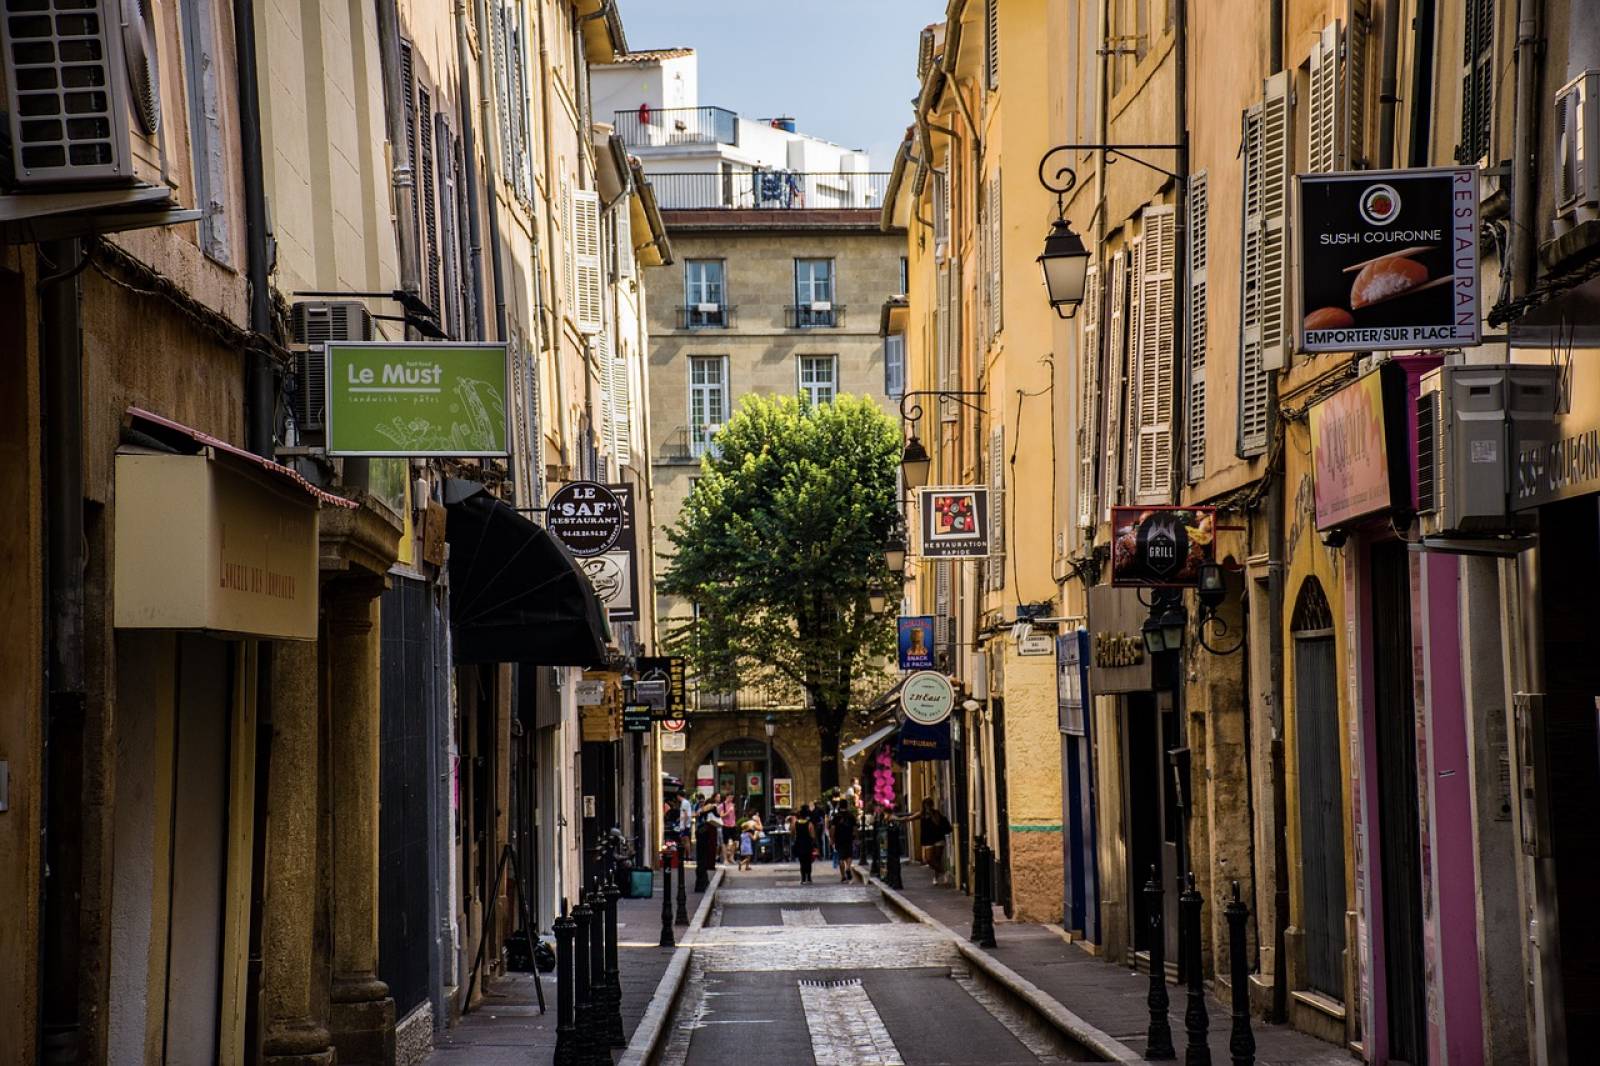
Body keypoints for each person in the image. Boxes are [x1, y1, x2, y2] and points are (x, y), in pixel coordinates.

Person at [897, 798, 953, 886]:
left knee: (937, 858)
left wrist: (931, 814)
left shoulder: (936, 813)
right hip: (928, 839)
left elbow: (937, 823)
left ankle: (936, 878)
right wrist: (898, 819)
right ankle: (944, 872)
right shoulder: (921, 814)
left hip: (938, 838)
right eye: (925, 805)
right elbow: (909, 818)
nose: (927, 807)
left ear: (931, 805)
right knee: (929, 859)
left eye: (928, 805)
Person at [829, 800, 857, 883]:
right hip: (849, 837)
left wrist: (832, 839)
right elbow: (855, 828)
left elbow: (833, 828)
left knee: (841, 857)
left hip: (839, 838)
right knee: (849, 854)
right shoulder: (851, 815)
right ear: (847, 806)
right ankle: (848, 868)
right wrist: (855, 836)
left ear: (839, 806)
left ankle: (843, 876)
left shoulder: (836, 816)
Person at [791, 804, 818, 883]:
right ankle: (809, 877)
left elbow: (792, 833)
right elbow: (812, 835)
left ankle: (803, 878)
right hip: (807, 844)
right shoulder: (809, 824)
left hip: (799, 844)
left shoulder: (795, 823)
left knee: (801, 861)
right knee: (808, 861)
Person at [720, 793, 738, 865]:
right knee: (725, 843)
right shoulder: (722, 805)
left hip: (733, 825)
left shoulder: (732, 805)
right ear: (727, 797)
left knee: (735, 842)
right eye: (730, 797)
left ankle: (731, 857)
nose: (731, 799)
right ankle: (725, 859)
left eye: (732, 798)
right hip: (725, 826)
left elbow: (733, 815)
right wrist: (728, 812)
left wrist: (734, 822)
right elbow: (721, 815)